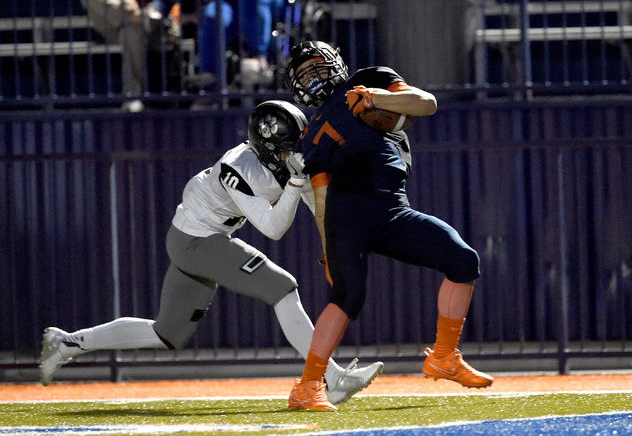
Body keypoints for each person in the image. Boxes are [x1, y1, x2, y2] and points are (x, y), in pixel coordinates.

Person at [40, 100, 383, 405]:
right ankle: (330, 377)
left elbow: (315, 201)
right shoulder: (239, 166)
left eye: (296, 147)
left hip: (199, 237)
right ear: (265, 148)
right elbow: (273, 228)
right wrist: (295, 183)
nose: (292, 156)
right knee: (282, 287)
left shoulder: (284, 158)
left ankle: (68, 342)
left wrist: (336, 242)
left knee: (167, 333)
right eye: (285, 150)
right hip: (195, 240)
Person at [283, 41, 494, 411]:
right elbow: (321, 199)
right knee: (347, 296)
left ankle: (444, 356)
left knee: (463, 260)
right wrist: (327, 249)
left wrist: (376, 98)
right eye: (303, 76)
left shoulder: (368, 79)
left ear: (334, 64)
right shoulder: (313, 131)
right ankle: (308, 386)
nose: (312, 78)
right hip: (346, 211)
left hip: (392, 208)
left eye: (315, 68)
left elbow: (425, 104)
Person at [79, 0, 182, 111]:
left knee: (131, 30)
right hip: (115, 20)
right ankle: (134, 16)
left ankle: (133, 96)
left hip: (152, 18)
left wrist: (154, 7)